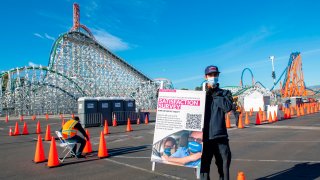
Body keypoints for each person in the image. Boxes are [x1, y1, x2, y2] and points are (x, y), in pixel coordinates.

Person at [201, 65, 233, 180]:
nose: (213, 77)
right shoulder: (200, 95)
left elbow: (228, 107)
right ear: (206, 76)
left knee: (224, 169)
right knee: (204, 170)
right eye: (210, 75)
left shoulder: (225, 93)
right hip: (204, 139)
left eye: (215, 75)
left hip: (221, 138)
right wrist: (163, 94)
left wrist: (214, 94)